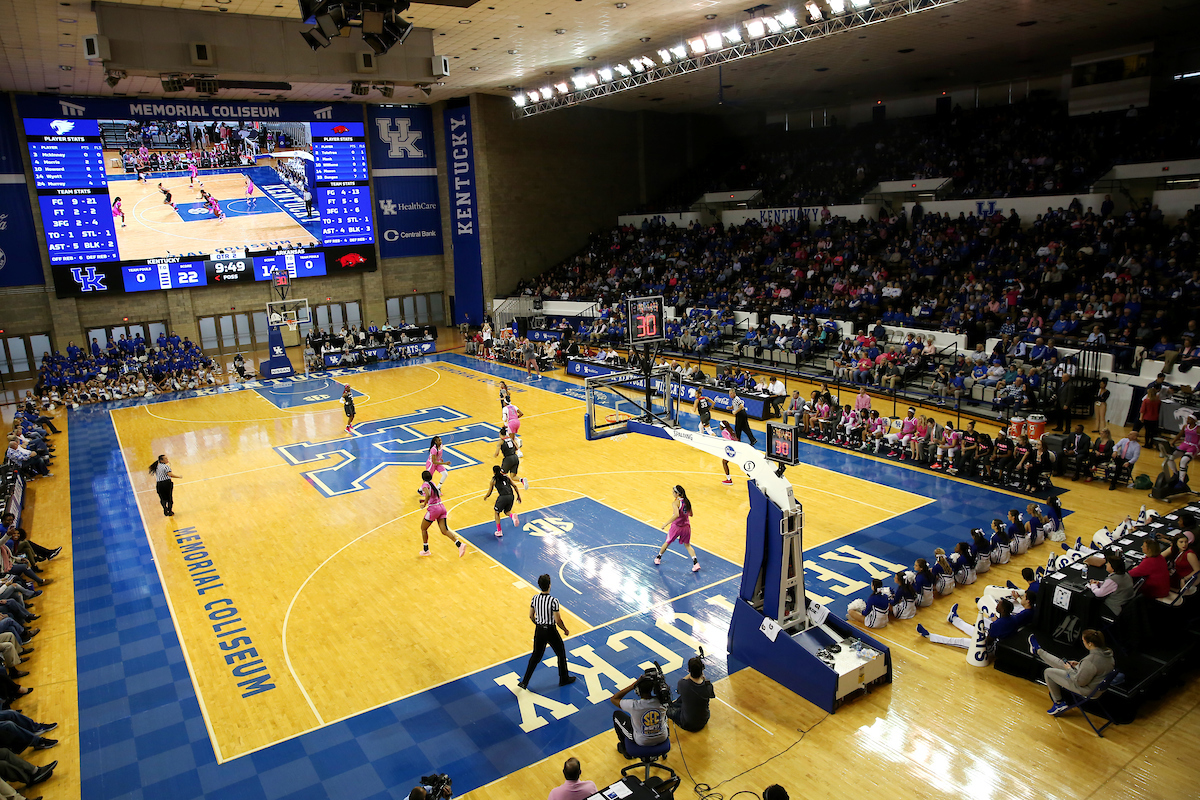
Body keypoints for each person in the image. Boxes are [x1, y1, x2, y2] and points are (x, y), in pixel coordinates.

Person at [1029, 629, 1116, 716]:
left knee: (1048, 672)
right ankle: (1038, 651)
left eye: (1083, 641)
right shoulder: (1108, 655)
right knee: (1063, 664)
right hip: (1094, 685)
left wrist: (1069, 670)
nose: (1083, 643)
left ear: (1090, 643)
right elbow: (1097, 669)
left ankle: (1058, 703)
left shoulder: (1091, 660)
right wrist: (1079, 665)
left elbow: (1079, 682)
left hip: (1086, 689)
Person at [517, 574, 575, 690]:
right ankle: (564, 678)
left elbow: (531, 616)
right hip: (550, 630)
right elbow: (558, 620)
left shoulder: (535, 598)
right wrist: (565, 629)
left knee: (536, 656)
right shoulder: (553, 601)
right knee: (561, 653)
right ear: (549, 585)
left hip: (539, 630)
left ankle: (524, 682)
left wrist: (538, 624)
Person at [610, 672, 668, 758]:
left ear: (637, 691)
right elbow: (665, 692)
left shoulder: (634, 705)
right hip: (662, 737)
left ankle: (625, 749)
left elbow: (614, 699)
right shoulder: (662, 702)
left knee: (617, 715)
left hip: (642, 741)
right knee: (664, 718)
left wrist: (632, 685)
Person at [417, 471, 466, 558]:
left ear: (423, 478)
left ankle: (426, 550)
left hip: (434, 510)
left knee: (423, 528)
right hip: (441, 507)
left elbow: (428, 494)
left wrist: (424, 504)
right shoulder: (432, 483)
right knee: (444, 530)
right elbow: (433, 496)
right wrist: (424, 500)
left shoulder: (424, 485)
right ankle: (459, 544)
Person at [655, 486, 699, 572]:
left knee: (667, 542)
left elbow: (676, 515)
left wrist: (666, 523)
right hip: (686, 527)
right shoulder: (687, 501)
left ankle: (658, 557)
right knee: (688, 545)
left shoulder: (676, 503)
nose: (672, 493)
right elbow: (691, 514)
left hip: (677, 527)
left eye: (673, 492)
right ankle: (696, 563)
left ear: (677, 494)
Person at [667, 656, 715, 732]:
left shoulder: (683, 684)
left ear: (689, 670)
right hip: (703, 720)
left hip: (687, 723)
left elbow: (681, 686)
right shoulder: (708, 686)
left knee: (669, 709)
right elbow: (710, 694)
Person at [483, 465, 521, 538]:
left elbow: (490, 492)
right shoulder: (506, 477)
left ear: (493, 472)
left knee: (496, 512)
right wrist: (518, 496)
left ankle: (499, 531)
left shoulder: (493, 480)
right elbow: (515, 486)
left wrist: (486, 496)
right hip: (511, 496)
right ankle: (512, 516)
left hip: (503, 497)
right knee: (507, 511)